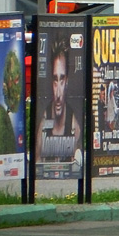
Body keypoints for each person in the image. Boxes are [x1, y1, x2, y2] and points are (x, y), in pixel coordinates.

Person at [38, 37, 83, 166]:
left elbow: (77, 165)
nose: (58, 94)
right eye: (55, 80)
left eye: (61, 80)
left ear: (67, 81)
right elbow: (37, 164)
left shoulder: (75, 126)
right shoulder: (42, 124)